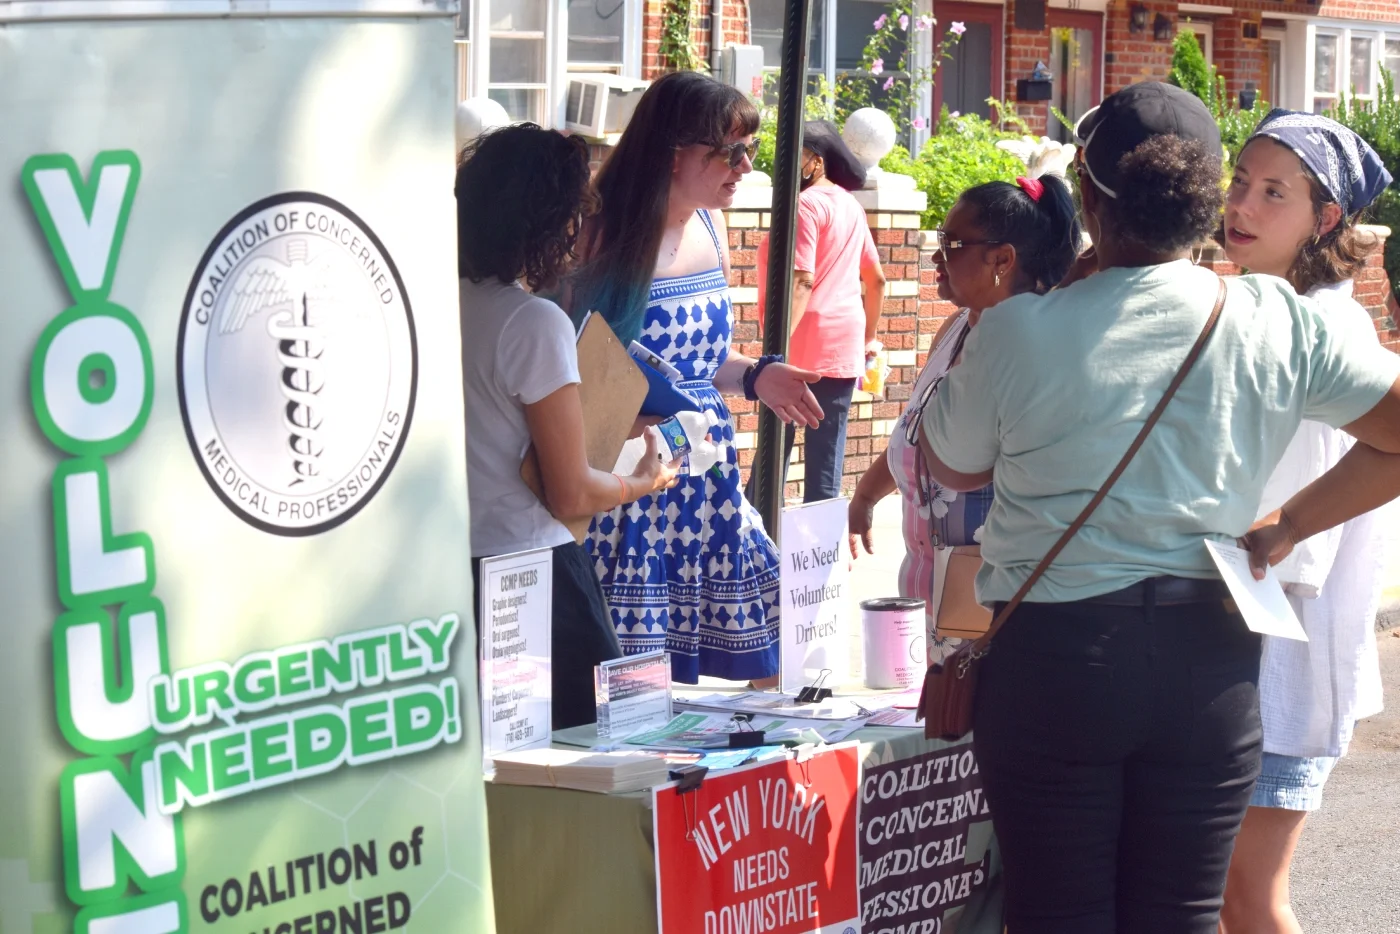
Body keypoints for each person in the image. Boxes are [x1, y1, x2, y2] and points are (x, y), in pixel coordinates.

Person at [918, 81, 1400, 933]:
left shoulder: (1021, 328)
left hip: (1056, 655)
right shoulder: (1276, 318)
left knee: (1056, 916)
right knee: (1177, 919)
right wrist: (1291, 523)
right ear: (1204, 200)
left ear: (1094, 204)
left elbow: (950, 466)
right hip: (1205, 657)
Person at [567, 70, 824, 684]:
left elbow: (706, 361)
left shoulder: (713, 225)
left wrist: (759, 376)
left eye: (749, 151)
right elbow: (570, 374)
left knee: (778, 635)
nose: (742, 166)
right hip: (632, 479)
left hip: (706, 466)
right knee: (637, 678)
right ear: (671, 151)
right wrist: (641, 423)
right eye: (727, 151)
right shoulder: (600, 236)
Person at [1218, 111, 1393, 934]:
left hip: (1279, 661)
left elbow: (1294, 539)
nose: (1242, 206)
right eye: (1240, 182)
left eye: (1273, 194)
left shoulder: (1323, 325)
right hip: (1260, 655)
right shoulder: (1269, 304)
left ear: (1326, 219)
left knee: (1247, 899)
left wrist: (1283, 524)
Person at [457, 124, 680, 729]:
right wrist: (644, 482)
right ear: (552, 221)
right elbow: (571, 492)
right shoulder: (532, 322)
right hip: (535, 579)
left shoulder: (432, 307)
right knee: (585, 767)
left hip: (452, 576)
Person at [848, 175, 1080, 666]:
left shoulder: (1038, 350)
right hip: (929, 589)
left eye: (950, 244)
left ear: (1002, 260)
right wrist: (867, 494)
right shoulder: (955, 329)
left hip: (996, 603)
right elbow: (920, 426)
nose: (936, 256)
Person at [750, 121, 886, 502]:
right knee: (826, 469)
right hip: (843, 348)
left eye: (795, 158)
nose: (785, 166)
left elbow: (802, 281)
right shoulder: (850, 206)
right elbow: (876, 281)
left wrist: (774, 350)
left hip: (801, 344)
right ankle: (820, 558)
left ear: (817, 162)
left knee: (770, 462)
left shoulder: (804, 206)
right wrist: (869, 339)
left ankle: (755, 551)